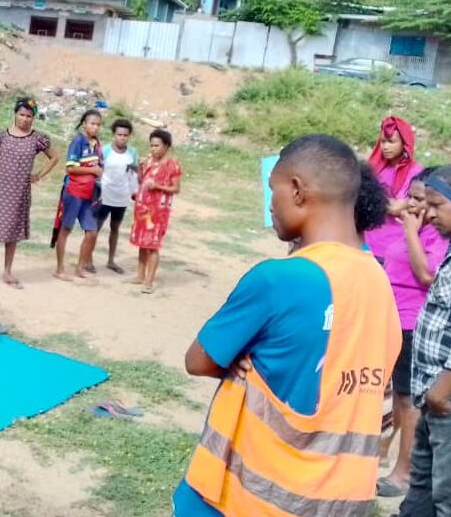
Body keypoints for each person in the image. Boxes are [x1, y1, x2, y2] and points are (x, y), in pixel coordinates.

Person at [175, 134, 401, 517]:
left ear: (297, 190)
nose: (270, 204)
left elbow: (198, 361)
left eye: (272, 190)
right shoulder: (379, 282)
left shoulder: (279, 279)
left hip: (246, 496)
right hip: (339, 502)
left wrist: (239, 358)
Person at [378, 167, 449, 498]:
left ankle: (402, 472)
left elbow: (424, 275)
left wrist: (409, 230)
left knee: (407, 400)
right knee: (395, 395)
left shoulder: (432, 235)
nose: (417, 207)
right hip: (393, 319)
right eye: (415, 198)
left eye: (425, 201)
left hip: (411, 321)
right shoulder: (419, 226)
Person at [0, 97, 58, 288]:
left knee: (12, 233)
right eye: (21, 114)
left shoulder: (38, 139)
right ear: (15, 114)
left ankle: (8, 272)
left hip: (19, 193)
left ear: (33, 117)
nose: (25, 119)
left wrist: (38, 175)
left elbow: (55, 158)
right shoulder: (1, 136)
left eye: (29, 116)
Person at [52, 109, 103, 283]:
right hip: (74, 192)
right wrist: (92, 170)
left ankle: (80, 267)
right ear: (84, 124)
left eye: (98, 124)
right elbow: (70, 168)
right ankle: (59, 268)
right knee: (66, 229)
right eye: (92, 123)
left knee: (92, 232)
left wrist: (99, 173)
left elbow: (100, 166)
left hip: (90, 194)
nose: (95, 127)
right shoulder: (78, 141)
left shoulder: (97, 144)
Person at [366, 115, 422, 264]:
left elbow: (397, 207)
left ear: (404, 143)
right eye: (383, 141)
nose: (385, 147)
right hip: (366, 243)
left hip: (390, 248)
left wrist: (368, 198)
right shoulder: (375, 168)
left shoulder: (416, 173)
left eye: (391, 142)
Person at [130, 128, 181, 294]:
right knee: (142, 243)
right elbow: (142, 180)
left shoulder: (172, 164)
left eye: (157, 146)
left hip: (158, 211)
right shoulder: (150, 160)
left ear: (166, 146)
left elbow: (176, 188)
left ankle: (149, 281)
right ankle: (140, 275)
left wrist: (157, 186)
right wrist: (140, 169)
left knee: (152, 245)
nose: (153, 149)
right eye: (151, 145)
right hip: (143, 207)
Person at [93, 119, 139, 274]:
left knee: (115, 228)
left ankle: (111, 260)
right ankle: (88, 259)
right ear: (114, 134)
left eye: (126, 135)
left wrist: (135, 191)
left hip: (121, 196)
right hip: (104, 195)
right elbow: (97, 171)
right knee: (95, 227)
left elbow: (135, 173)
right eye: (119, 134)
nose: (122, 138)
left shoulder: (132, 152)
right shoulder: (104, 150)